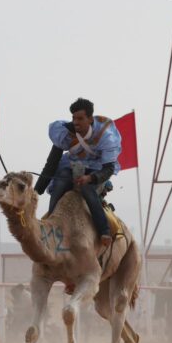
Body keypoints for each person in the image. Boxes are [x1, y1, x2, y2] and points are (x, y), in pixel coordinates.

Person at [42, 98, 122, 247]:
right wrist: (37, 190)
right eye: (73, 118)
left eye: (80, 118)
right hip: (71, 166)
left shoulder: (106, 136)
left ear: (90, 119)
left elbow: (109, 168)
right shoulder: (64, 132)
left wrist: (91, 178)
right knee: (60, 181)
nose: (75, 122)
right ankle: (50, 225)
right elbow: (51, 163)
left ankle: (104, 230)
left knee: (87, 189)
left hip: (97, 170)